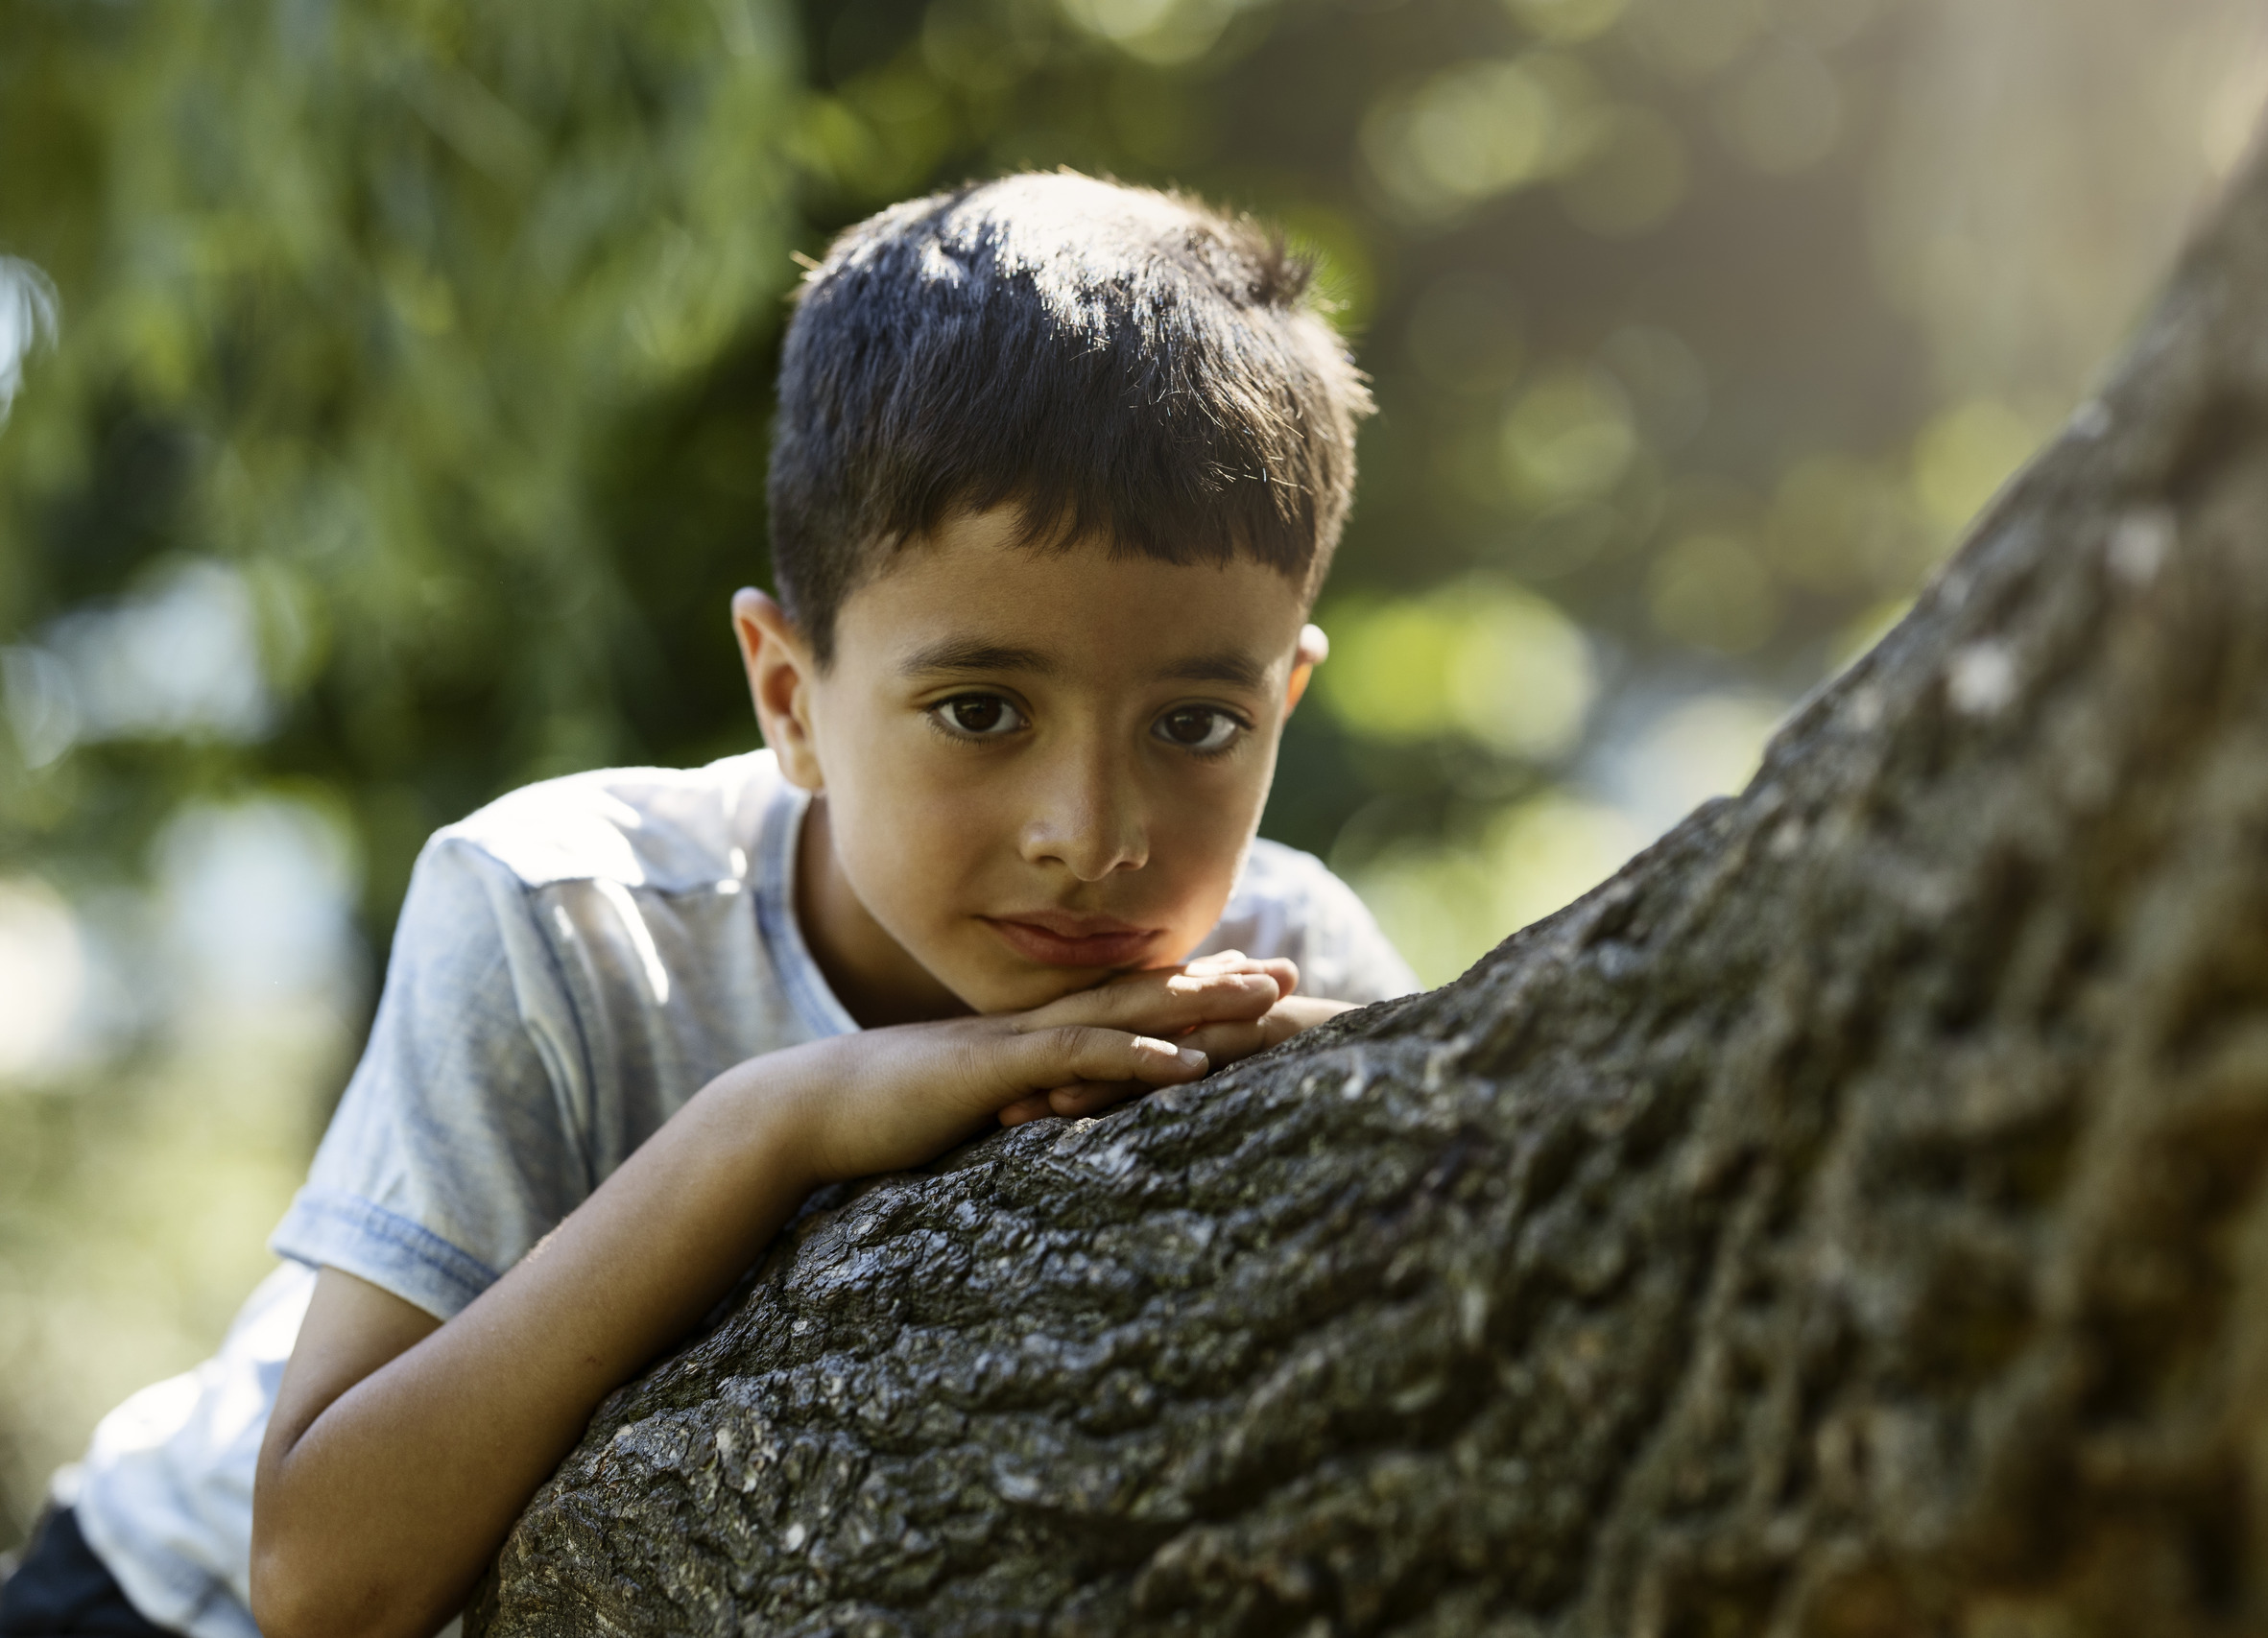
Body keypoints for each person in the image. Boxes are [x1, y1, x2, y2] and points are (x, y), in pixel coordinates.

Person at [0, 173, 1414, 1638]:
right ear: (791, 696)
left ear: (1283, 700)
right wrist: (778, 1118)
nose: (1092, 836)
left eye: (1194, 727)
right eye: (983, 710)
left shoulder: (1281, 965)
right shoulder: (568, 917)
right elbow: (321, 1583)